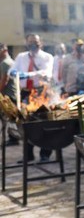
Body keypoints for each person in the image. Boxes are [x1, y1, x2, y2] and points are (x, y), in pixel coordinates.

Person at [9, 33, 54, 161]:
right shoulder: (21, 57)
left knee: (44, 123)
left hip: (41, 93)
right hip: (25, 93)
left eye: (35, 41)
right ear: (26, 43)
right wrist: (14, 73)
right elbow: (12, 71)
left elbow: (46, 73)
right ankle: (28, 155)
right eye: (30, 41)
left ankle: (45, 154)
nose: (33, 43)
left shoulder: (47, 57)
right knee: (26, 124)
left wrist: (28, 75)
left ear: (41, 42)